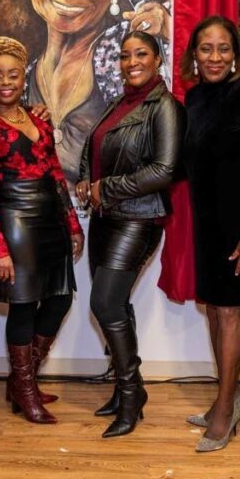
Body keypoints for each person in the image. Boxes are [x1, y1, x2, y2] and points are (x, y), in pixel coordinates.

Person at [0, 36, 84, 424]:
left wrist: (73, 225)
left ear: (23, 76)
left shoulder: (38, 118)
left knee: (60, 298)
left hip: (50, 219)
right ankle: (25, 390)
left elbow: (55, 176)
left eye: (12, 75)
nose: (5, 82)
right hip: (14, 221)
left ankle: (21, 381)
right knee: (24, 306)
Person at [74, 31, 185, 438]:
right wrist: (88, 180)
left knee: (105, 305)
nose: (131, 61)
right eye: (124, 55)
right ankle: (127, 393)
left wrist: (109, 187)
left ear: (158, 59)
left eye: (141, 54)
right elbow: (95, 150)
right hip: (106, 216)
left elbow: (165, 170)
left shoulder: (165, 107)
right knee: (116, 305)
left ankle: (131, 391)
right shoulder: (120, 104)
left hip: (138, 217)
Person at [180, 15, 240, 452]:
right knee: (215, 312)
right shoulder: (196, 98)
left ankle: (224, 410)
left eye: (224, 48)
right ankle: (230, 397)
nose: (215, 57)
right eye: (206, 49)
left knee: (230, 312)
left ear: (235, 53)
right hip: (207, 224)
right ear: (194, 55)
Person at [23, 0, 171, 180]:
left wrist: (167, 28)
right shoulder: (25, 74)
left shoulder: (122, 51)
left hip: (110, 211)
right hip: (50, 216)